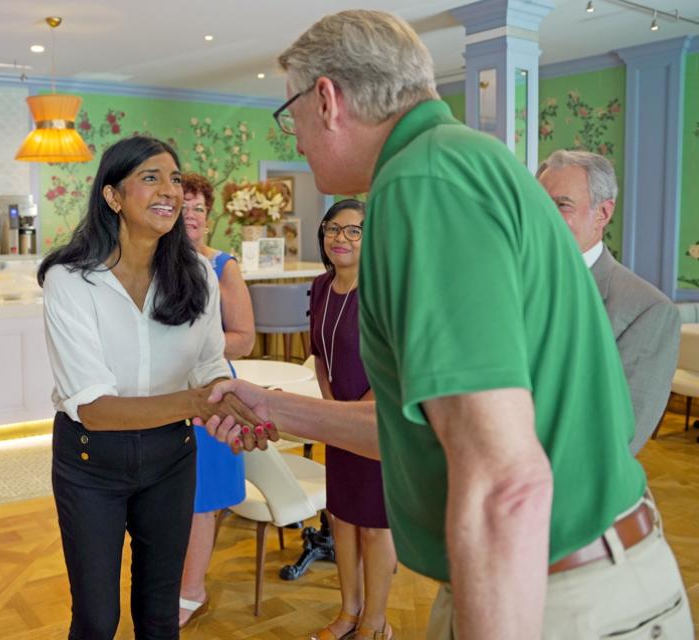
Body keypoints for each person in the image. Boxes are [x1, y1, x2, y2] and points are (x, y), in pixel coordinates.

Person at [201, 10, 692, 639]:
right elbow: (430, 427)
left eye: (288, 112)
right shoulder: (460, 161)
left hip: (551, 593)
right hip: (548, 577)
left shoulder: (422, 184)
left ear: (326, 99)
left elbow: (501, 481)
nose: (293, 137)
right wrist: (269, 406)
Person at [37, 136, 259, 640]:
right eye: (151, 178)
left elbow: (208, 365)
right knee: (97, 619)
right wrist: (199, 401)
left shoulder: (198, 274)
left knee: (161, 615)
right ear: (113, 196)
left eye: (176, 179)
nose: (170, 191)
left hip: (172, 458)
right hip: (91, 462)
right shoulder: (70, 280)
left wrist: (229, 401)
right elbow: (94, 409)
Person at [536, 150, 680, 454]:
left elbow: (620, 439)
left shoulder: (647, 310)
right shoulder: (512, 283)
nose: (545, 216)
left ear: (603, 213)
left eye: (563, 205)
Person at [310, 200, 395, 640]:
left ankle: (376, 623)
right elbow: (320, 357)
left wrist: (351, 415)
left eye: (354, 231)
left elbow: (398, 366)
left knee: (376, 527)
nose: (340, 238)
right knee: (342, 518)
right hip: (337, 424)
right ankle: (349, 611)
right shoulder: (321, 287)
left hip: (377, 426)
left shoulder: (385, 292)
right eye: (333, 229)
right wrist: (330, 413)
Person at [177, 172, 254, 628]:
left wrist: (191, 344)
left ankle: (192, 589)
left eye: (198, 209)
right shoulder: (149, 262)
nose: (190, 216)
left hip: (210, 390)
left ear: (208, 218)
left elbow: (243, 340)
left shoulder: (223, 266)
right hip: (162, 394)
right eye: (182, 207)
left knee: (201, 496)